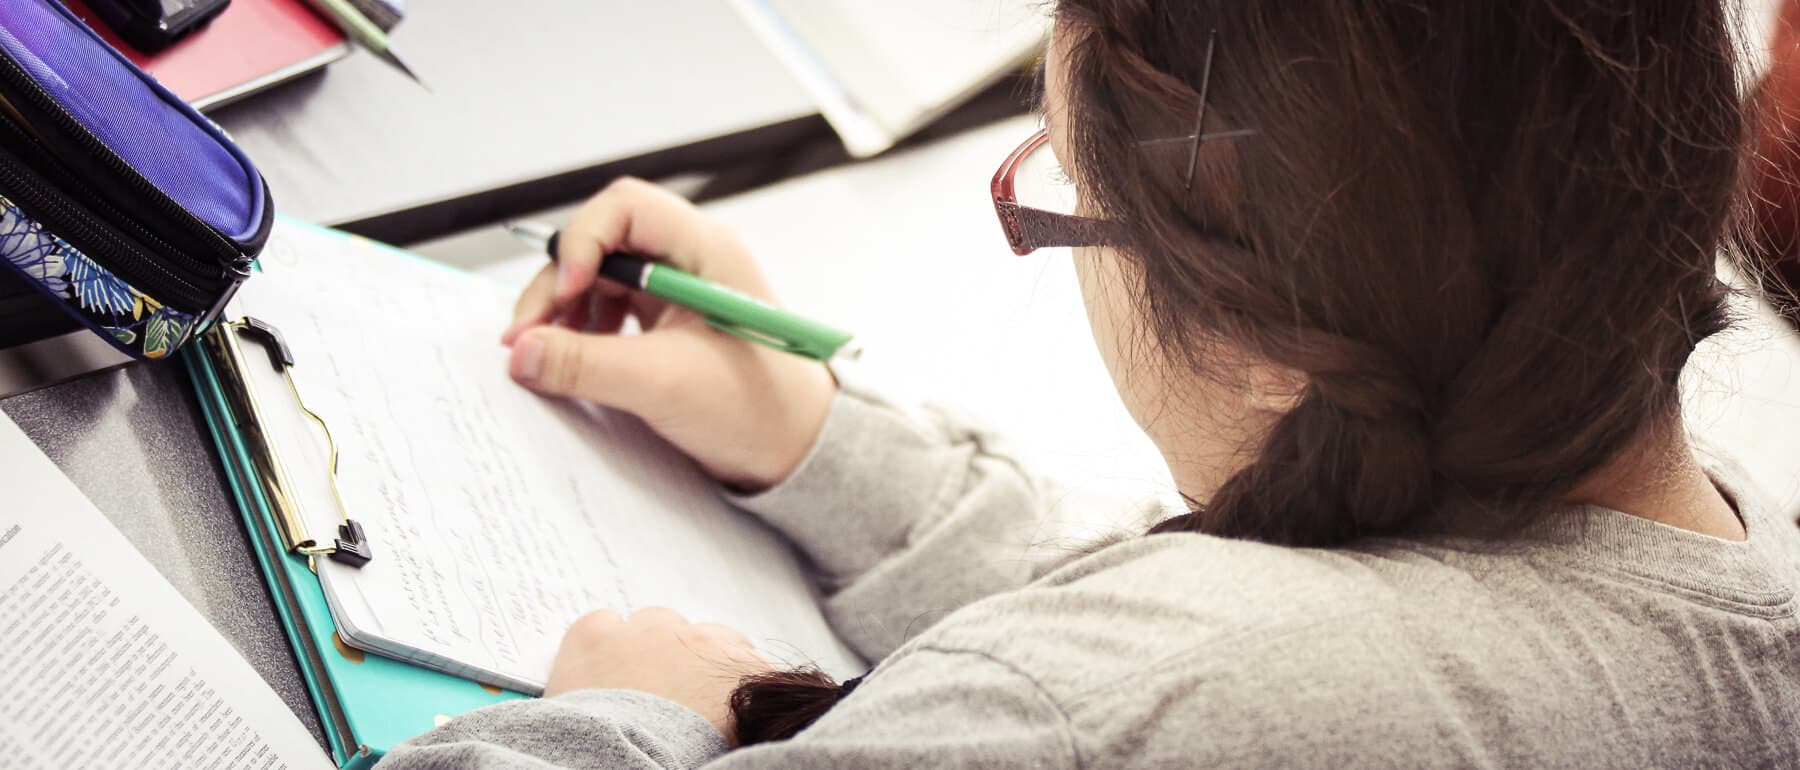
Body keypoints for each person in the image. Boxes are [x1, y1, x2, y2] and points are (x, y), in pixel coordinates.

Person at [379, 1, 1800, 766]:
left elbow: (1153, 683)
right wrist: (822, 440)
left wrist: (626, 722)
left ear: (1266, 330)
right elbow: (1299, 637)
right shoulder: (1731, 587)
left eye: (1060, 182)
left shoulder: (1095, 707)